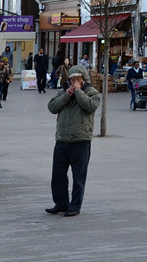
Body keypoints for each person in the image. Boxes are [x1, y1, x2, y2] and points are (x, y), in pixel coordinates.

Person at [46, 65, 101, 216]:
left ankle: (75, 206)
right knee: (58, 176)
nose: (74, 82)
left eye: (78, 79)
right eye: (72, 80)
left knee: (79, 177)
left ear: (84, 79)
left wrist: (79, 92)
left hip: (80, 140)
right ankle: (60, 203)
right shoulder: (63, 91)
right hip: (62, 140)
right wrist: (67, 95)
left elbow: (90, 106)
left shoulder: (92, 93)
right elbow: (52, 107)